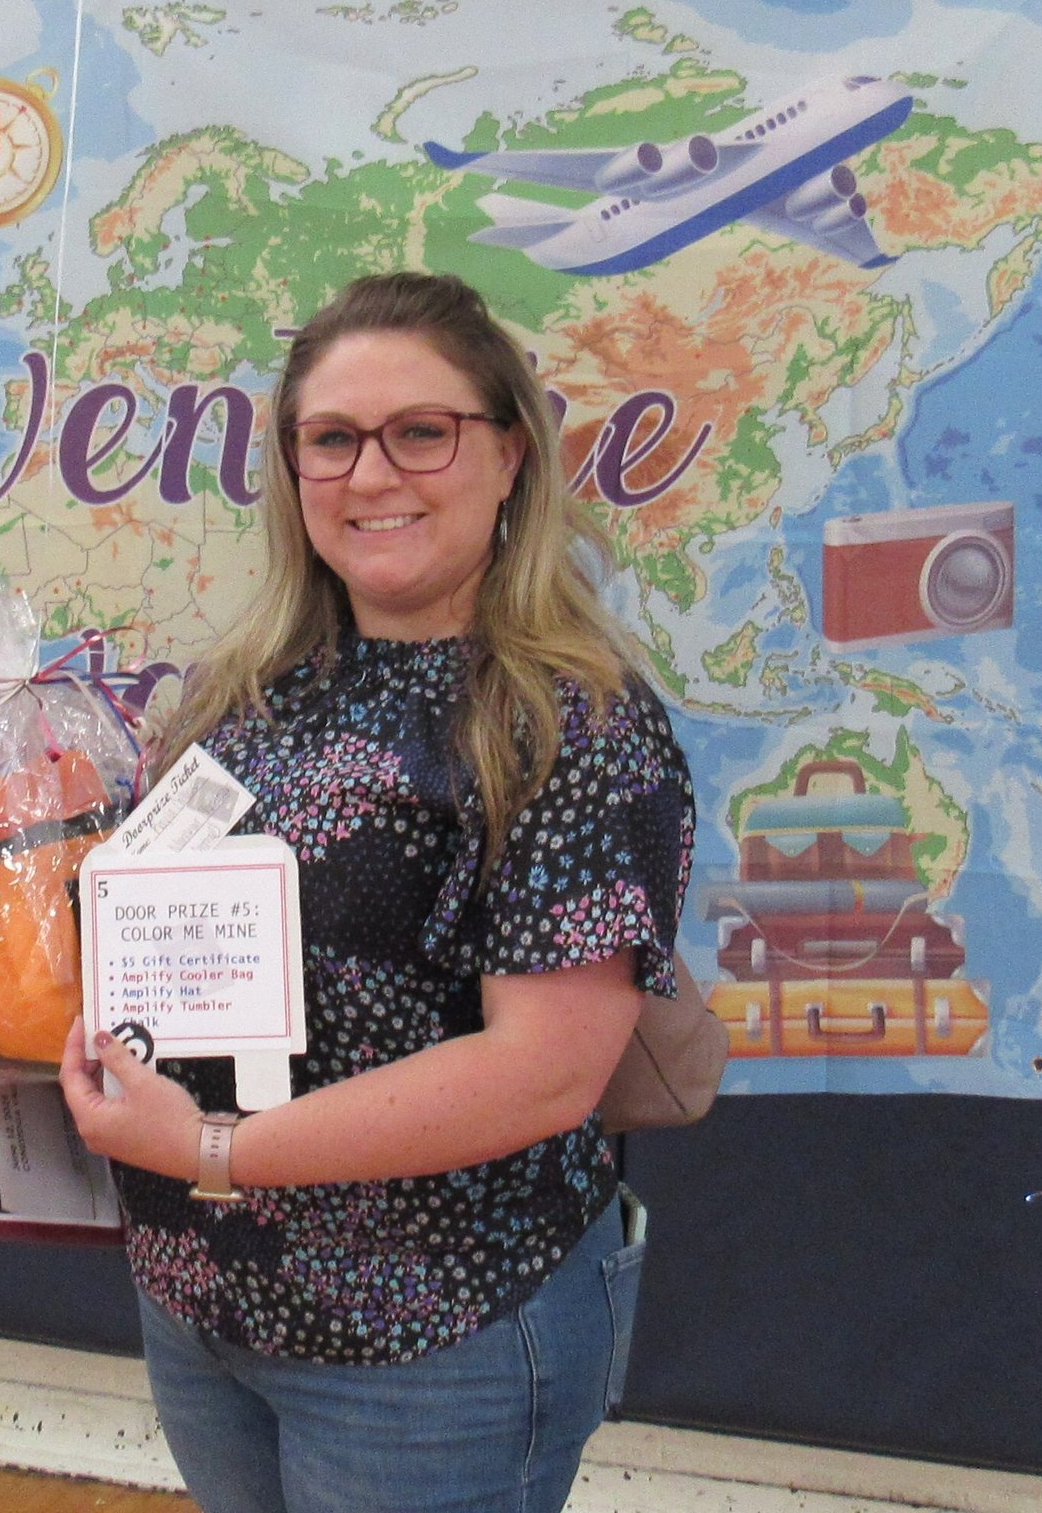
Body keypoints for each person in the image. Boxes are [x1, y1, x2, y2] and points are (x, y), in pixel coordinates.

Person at [59, 271, 695, 1513]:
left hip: (433, 1338)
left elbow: (543, 1070)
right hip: (205, 1307)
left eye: (422, 432)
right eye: (331, 439)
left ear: (508, 452)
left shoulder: (567, 724)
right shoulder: (238, 694)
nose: (369, 474)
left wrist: (207, 1149)